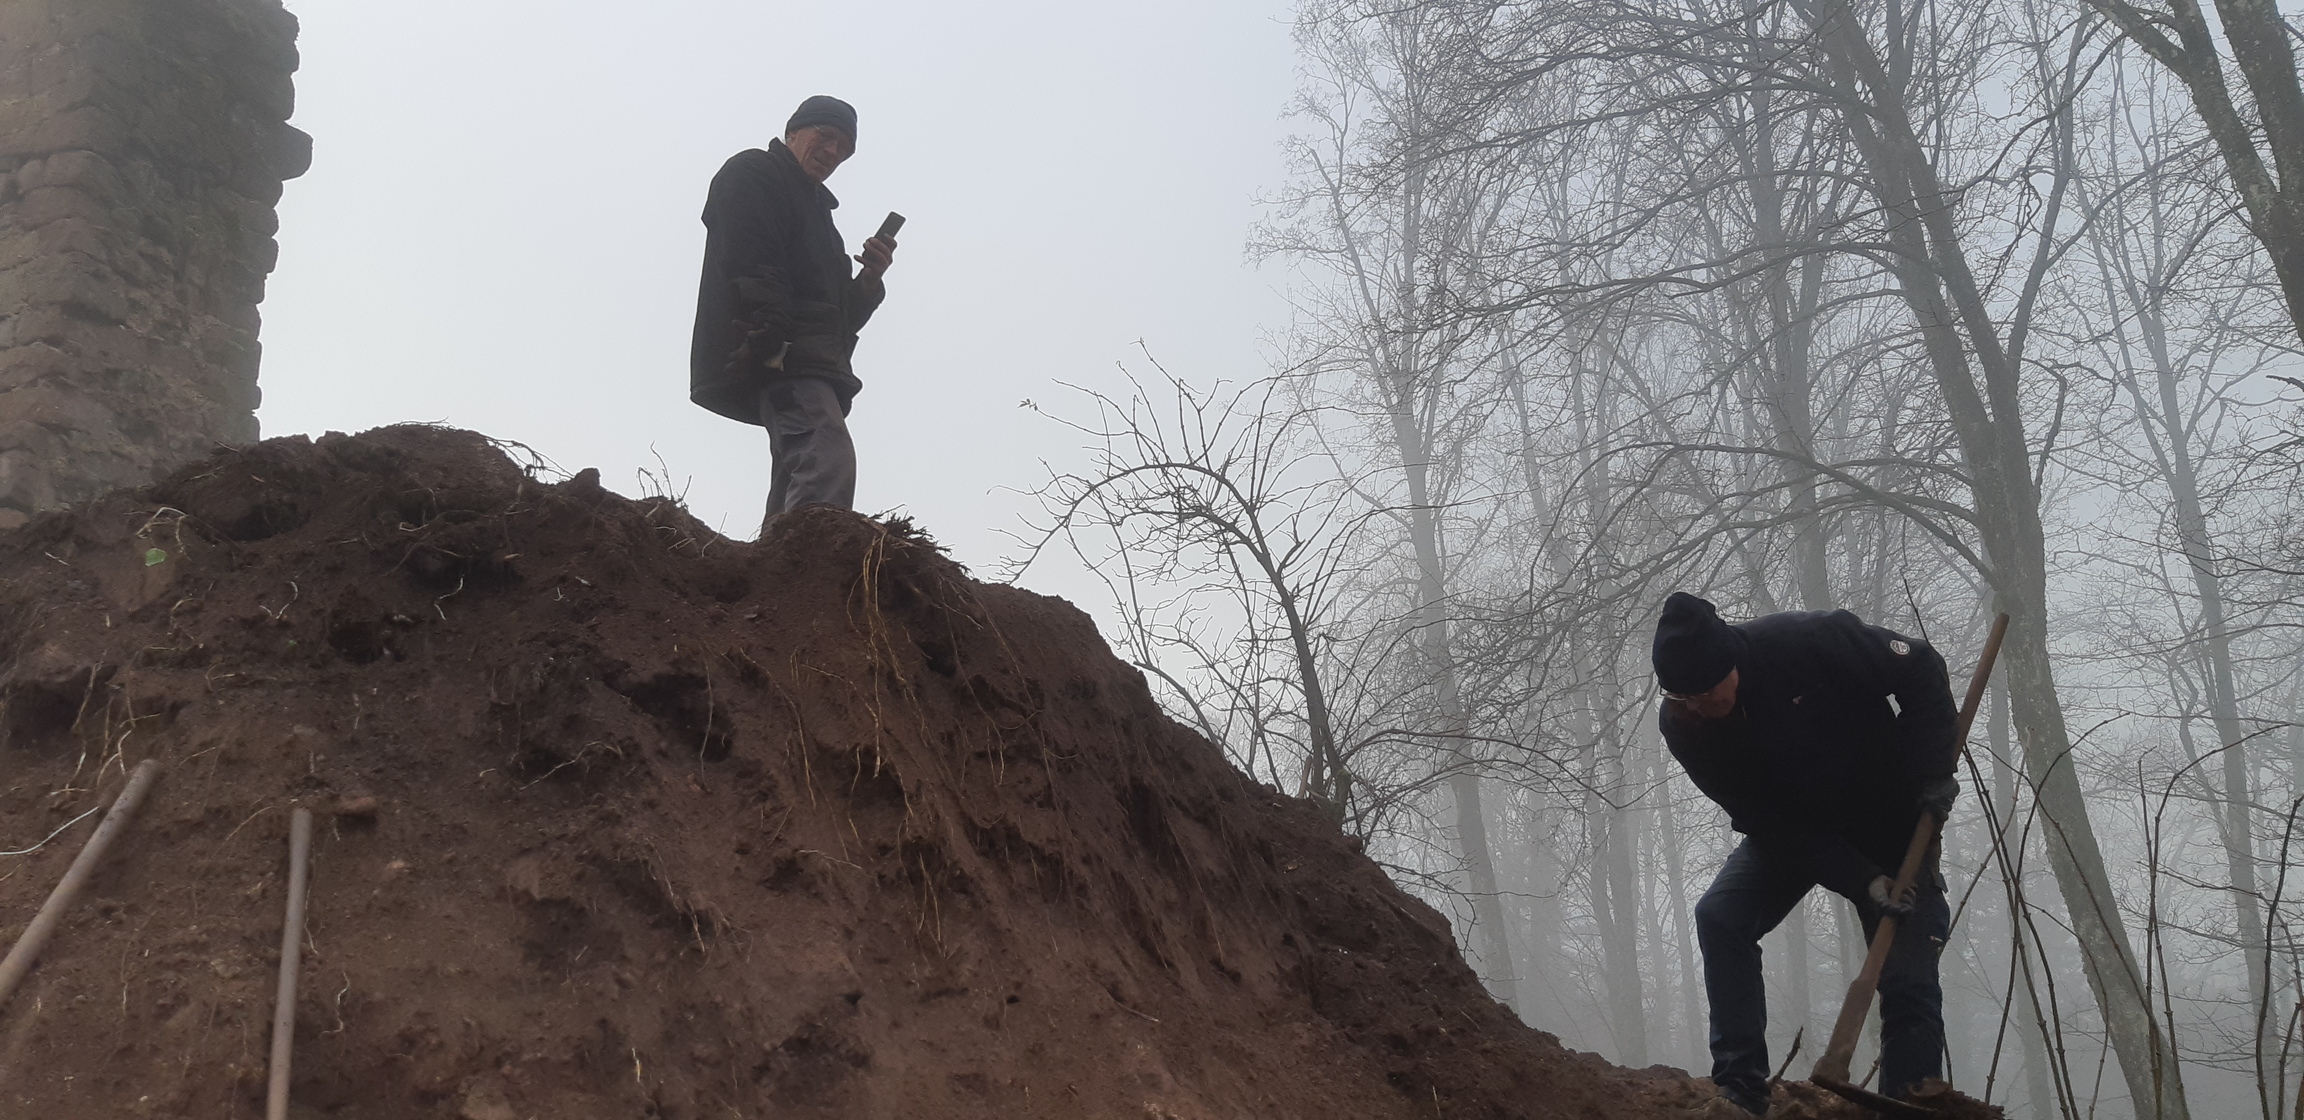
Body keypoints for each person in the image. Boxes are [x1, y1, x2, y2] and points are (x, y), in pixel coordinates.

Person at [1651, 592, 1961, 1116]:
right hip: (1796, 832)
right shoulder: (1687, 725)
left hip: (1890, 819)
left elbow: (1920, 667)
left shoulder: (1810, 642)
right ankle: (1741, 1090)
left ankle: (1906, 1098)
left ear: (1730, 663)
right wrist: (1861, 878)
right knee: (1721, 918)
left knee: (1907, 972)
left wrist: (1931, 771)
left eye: (1705, 691)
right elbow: (1765, 819)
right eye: (1681, 696)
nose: (1698, 706)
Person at [689, 95, 896, 527]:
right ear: (793, 132)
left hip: (808, 356)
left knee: (795, 477)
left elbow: (837, 318)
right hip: (782, 352)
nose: (833, 152)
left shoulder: (820, 218)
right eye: (826, 136)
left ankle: (778, 563)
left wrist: (869, 280)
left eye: (844, 148)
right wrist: (770, 334)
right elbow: (749, 254)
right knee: (827, 457)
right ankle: (812, 558)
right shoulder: (754, 172)